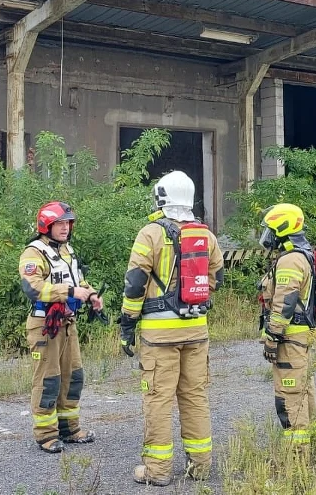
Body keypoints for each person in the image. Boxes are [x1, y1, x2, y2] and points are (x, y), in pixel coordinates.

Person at [118, 171, 223, 486]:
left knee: (158, 399)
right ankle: (200, 467)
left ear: (161, 197)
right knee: (195, 396)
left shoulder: (150, 234)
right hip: (197, 330)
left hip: (159, 336)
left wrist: (127, 326)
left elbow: (135, 284)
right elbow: (217, 279)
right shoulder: (206, 235)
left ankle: (157, 471)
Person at [19, 201, 104, 454]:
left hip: (68, 324)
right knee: (48, 380)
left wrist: (90, 295)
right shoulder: (34, 253)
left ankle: (70, 429)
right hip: (45, 325)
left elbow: (78, 280)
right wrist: (69, 291)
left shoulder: (67, 251)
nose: (65, 227)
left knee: (73, 377)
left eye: (68, 222)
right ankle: (46, 435)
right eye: (60, 223)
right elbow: (32, 287)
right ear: (47, 225)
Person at [257, 203, 316, 450]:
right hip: (298, 336)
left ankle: (297, 453)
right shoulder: (299, 255)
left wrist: (272, 336)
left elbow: (285, 302)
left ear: (282, 229)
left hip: (289, 337)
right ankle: (306, 444)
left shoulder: (291, 260)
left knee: (290, 392)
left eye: (270, 230)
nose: (267, 236)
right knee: (303, 387)